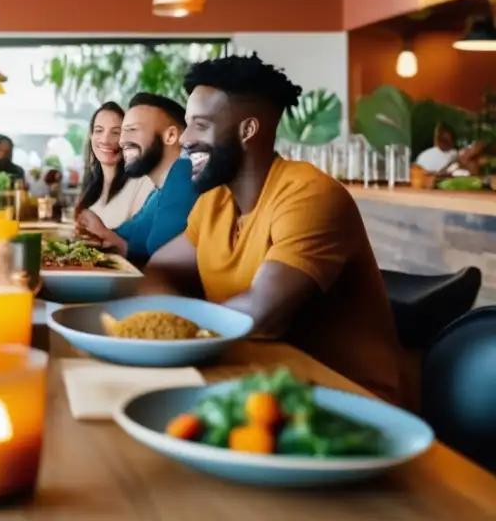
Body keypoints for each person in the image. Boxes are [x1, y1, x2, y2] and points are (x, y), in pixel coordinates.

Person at [151, 53, 404, 404]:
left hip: (344, 403)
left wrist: (164, 325)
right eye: (187, 122)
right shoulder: (215, 203)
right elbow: (156, 271)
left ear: (247, 130)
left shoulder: (310, 194)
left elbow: (261, 315)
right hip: (255, 384)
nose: (185, 138)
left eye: (201, 125)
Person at [76, 93, 197, 263]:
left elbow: (163, 263)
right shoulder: (159, 191)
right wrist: (98, 230)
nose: (122, 141)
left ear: (170, 136)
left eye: (132, 130)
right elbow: (125, 239)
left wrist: (106, 235)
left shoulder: (184, 173)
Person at [76, 102, 153, 228]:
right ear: (91, 136)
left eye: (116, 132)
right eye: (99, 130)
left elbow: (142, 238)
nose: (105, 140)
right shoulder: (91, 185)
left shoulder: (141, 182)